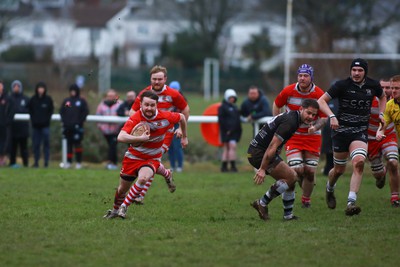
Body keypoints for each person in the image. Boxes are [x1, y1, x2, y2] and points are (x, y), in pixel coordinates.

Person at [103, 90, 188, 219]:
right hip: (133, 157)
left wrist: (184, 136)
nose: (149, 108)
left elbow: (181, 117)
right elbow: (121, 137)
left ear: (156, 105)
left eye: (152, 105)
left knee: (143, 178)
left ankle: (124, 208)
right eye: (146, 105)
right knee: (121, 190)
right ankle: (115, 210)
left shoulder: (165, 117)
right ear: (141, 105)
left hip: (152, 157)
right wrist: (139, 139)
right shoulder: (136, 117)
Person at [317, 58, 386, 216]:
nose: (356, 73)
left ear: (365, 72)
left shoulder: (373, 85)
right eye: (354, 70)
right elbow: (321, 101)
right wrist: (332, 116)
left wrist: (381, 113)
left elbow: (382, 97)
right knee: (339, 170)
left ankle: (351, 202)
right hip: (341, 132)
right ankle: (330, 189)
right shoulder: (341, 85)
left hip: (359, 131)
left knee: (359, 162)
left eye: (360, 70)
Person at [249, 98, 319, 221]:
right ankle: (262, 203)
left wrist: (278, 148)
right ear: (301, 109)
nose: (310, 117)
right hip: (259, 153)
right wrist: (262, 169)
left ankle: (288, 215)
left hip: (259, 151)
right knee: (291, 177)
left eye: (313, 115)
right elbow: (271, 146)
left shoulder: (294, 118)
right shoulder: (291, 122)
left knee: (289, 179)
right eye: (308, 113)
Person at [128, 65, 190, 202]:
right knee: (151, 162)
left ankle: (140, 195)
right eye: (154, 79)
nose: (156, 82)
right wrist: (138, 126)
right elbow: (132, 111)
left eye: (159, 79)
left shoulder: (173, 94)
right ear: (150, 78)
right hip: (147, 134)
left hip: (165, 133)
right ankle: (167, 173)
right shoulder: (144, 94)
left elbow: (185, 110)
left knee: (153, 161)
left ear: (165, 79)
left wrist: (180, 129)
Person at [272, 64, 327, 208]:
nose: (302, 78)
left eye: (306, 75)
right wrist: (279, 123)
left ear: (311, 77)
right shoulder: (289, 91)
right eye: (300, 75)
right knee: (297, 170)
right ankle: (291, 196)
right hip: (293, 135)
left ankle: (306, 200)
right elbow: (277, 104)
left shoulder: (319, 94)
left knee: (309, 171)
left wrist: (315, 127)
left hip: (313, 136)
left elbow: (324, 117)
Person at [376, 75, 400, 207]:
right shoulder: (390, 105)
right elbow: (383, 123)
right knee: (392, 162)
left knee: (393, 162)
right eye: (392, 88)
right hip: (376, 139)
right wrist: (380, 132)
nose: (392, 91)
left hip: (391, 139)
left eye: (397, 88)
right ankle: (395, 197)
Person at [59, 83, 89, 169]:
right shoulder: (67, 101)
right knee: (69, 145)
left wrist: (79, 123)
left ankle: (79, 162)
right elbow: (62, 111)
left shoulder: (81, 101)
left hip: (77, 127)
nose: (73, 92)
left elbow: (85, 112)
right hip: (68, 127)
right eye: (71, 91)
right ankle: (68, 162)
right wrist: (65, 122)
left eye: (74, 91)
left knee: (78, 144)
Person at [28, 81, 54, 168]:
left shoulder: (48, 99)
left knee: (46, 145)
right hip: (36, 127)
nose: (41, 90)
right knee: (36, 145)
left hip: (45, 126)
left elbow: (51, 111)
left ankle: (46, 162)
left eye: (42, 88)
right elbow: (30, 111)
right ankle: (36, 162)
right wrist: (34, 121)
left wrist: (47, 120)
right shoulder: (33, 99)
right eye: (39, 88)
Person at [96, 89, 122, 170]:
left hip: (116, 130)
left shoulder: (119, 103)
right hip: (106, 131)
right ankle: (114, 163)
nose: (110, 97)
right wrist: (101, 127)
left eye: (112, 96)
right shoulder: (102, 104)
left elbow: (122, 114)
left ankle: (111, 163)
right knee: (111, 146)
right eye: (109, 96)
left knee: (112, 145)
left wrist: (120, 126)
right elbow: (97, 116)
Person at [218, 88, 242, 172]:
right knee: (229, 147)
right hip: (227, 131)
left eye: (233, 97)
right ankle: (229, 166)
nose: (232, 99)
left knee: (231, 147)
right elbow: (221, 120)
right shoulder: (223, 107)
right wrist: (227, 130)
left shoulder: (235, 107)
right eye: (230, 97)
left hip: (234, 131)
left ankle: (228, 167)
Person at [9, 80, 30, 168]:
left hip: (23, 128)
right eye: (15, 86)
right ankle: (12, 163)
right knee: (13, 148)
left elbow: (28, 110)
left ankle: (25, 164)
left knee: (24, 148)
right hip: (13, 128)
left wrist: (20, 111)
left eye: (18, 86)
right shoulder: (9, 98)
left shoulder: (25, 99)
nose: (16, 88)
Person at [167, 81, 185, 172]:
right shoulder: (168, 98)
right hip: (169, 124)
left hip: (177, 124)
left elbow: (183, 112)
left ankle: (180, 166)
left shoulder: (181, 99)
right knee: (169, 146)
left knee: (177, 146)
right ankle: (173, 165)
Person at [321, 98, 338, 176]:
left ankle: (335, 169)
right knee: (328, 151)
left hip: (338, 130)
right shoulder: (328, 100)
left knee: (336, 151)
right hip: (327, 130)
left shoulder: (342, 100)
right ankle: (327, 169)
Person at [0, 80, 15, 167]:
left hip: (5, 125)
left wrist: (8, 121)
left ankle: (3, 159)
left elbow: (11, 111)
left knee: (5, 142)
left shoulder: (8, 98)